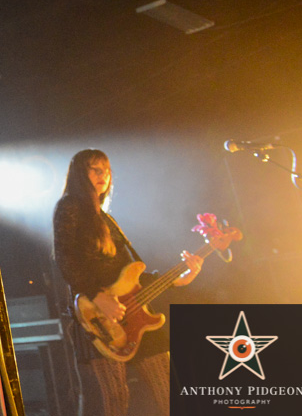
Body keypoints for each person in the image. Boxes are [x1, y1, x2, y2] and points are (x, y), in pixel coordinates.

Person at [52, 149, 203, 416]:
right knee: (115, 400)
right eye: (94, 169)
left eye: (106, 170)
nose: (103, 175)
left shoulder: (106, 218)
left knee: (170, 390)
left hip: (137, 314)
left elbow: (129, 272)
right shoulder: (70, 206)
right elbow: (66, 260)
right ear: (79, 175)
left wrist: (179, 279)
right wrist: (97, 296)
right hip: (97, 315)